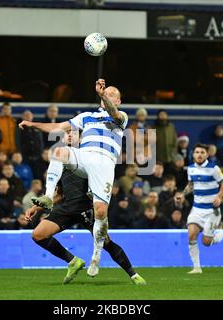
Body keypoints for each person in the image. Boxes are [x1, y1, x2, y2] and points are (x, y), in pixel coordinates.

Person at [19, 78, 129, 277]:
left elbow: (114, 112)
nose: (108, 96)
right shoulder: (86, 117)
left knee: (101, 212)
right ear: (100, 101)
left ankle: (96, 255)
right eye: (107, 94)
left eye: (113, 95)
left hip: (105, 162)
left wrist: (103, 94)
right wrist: (33, 124)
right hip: (86, 156)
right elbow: (59, 127)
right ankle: (47, 196)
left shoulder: (120, 117)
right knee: (59, 152)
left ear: (118, 101)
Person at [24, 158, 146, 285]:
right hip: (67, 209)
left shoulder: (88, 161)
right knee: (38, 235)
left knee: (106, 242)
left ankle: (133, 274)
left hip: (88, 209)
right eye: (67, 136)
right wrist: (35, 208)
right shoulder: (61, 165)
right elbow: (59, 194)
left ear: (80, 139)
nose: (70, 137)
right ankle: (73, 261)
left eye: (73, 135)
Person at [183, 143, 223, 274]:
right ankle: (197, 267)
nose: (199, 155)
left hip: (212, 211)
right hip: (197, 209)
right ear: (193, 154)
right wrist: (182, 194)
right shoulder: (190, 168)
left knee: (206, 242)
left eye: (202, 152)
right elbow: (191, 185)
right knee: (191, 235)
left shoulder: (214, 169)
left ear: (207, 154)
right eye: (197, 152)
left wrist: (219, 197)